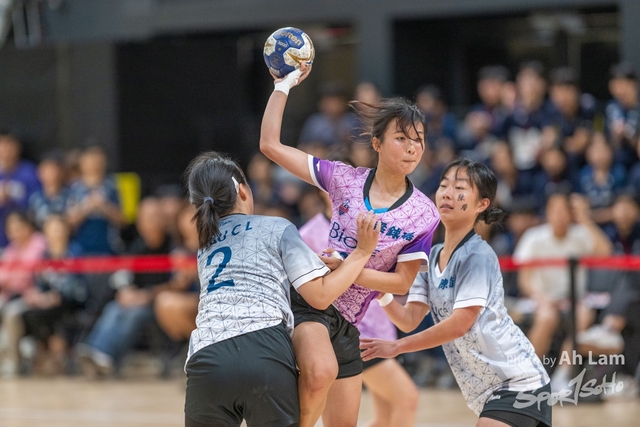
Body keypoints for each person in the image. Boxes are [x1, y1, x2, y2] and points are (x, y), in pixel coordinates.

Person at [261, 64, 439, 427]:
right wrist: (283, 86)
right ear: (377, 144)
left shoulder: (424, 214)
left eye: (419, 139)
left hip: (350, 327)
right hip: (311, 307)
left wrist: (350, 266)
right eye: (401, 138)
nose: (412, 147)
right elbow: (270, 146)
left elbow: (401, 283)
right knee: (310, 393)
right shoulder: (343, 178)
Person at [183, 152, 379, 427]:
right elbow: (320, 296)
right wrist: (362, 253)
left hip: (206, 359)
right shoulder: (276, 226)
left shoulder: (205, 246)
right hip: (264, 351)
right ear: (243, 191)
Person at [360, 158, 552, 427]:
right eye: (443, 185)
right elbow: (409, 319)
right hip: (485, 392)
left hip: (519, 382)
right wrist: (381, 292)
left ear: (482, 204)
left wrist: (398, 346)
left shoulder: (477, 255)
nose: (448, 193)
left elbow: (460, 324)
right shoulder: (430, 257)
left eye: (460, 188)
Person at [299, 162, 418, 427]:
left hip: (380, 327)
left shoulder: (373, 224)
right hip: (352, 332)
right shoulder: (308, 235)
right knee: (406, 399)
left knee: (385, 416)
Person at [77, 197, 173, 377]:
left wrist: (147, 295)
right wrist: (125, 290)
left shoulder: (172, 245)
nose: (150, 223)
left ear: (163, 219)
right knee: (114, 308)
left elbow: (178, 283)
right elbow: (122, 273)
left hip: (157, 303)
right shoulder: (138, 246)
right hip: (135, 298)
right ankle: (94, 351)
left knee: (134, 314)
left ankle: (107, 358)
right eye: (145, 219)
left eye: (154, 217)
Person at [0, 211, 47, 376]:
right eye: (10, 228)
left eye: (18, 227)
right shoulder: (12, 248)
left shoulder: (39, 243)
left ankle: (15, 361)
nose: (14, 232)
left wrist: (9, 277)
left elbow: (27, 275)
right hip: (11, 295)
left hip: (33, 296)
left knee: (10, 313)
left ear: (28, 227)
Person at [66, 145, 124, 255]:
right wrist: (87, 207)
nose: (93, 164)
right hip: (80, 249)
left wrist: (104, 206)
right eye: (89, 159)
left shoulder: (112, 186)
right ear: (81, 162)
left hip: (109, 248)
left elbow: (123, 220)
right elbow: (68, 222)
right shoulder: (74, 189)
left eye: (97, 159)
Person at [0, 133, 41, 247]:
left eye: (10, 144)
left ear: (18, 147)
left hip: (24, 241)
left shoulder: (30, 172)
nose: (6, 149)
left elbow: (36, 202)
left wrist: (12, 195)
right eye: (3, 144)